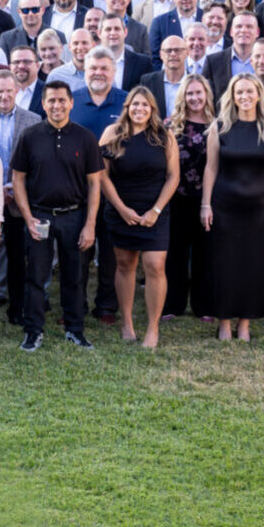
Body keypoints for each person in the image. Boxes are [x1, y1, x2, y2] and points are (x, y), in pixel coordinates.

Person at [10, 82, 103, 351]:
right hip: (40, 216)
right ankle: (33, 330)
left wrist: (90, 224)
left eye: (62, 100)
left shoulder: (85, 138)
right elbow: (18, 179)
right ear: (44, 103)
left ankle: (75, 330)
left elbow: (95, 184)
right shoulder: (30, 136)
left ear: (71, 103)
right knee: (36, 276)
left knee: (75, 276)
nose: (57, 105)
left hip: (74, 216)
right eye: (51, 100)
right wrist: (27, 217)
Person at [93, 86, 178, 348]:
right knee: (125, 265)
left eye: (145, 105)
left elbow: (173, 176)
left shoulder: (164, 136)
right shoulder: (112, 134)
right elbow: (101, 175)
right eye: (134, 104)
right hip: (122, 209)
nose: (139, 109)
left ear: (152, 109)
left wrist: (156, 210)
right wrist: (120, 208)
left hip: (155, 210)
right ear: (127, 107)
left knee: (155, 266)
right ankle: (127, 322)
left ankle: (153, 328)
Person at [203, 75, 264, 341]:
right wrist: (205, 204)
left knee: (253, 266)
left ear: (259, 94)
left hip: (258, 211)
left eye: (250, 91)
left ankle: (245, 324)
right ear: (232, 96)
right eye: (239, 92)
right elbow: (211, 168)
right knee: (225, 264)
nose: (245, 96)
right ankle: (224, 322)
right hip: (224, 207)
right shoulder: (221, 127)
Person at [163, 75, 214, 326]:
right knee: (176, 253)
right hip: (177, 198)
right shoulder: (171, 125)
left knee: (205, 253)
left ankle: (203, 304)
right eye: (190, 93)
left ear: (207, 94)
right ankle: (173, 303)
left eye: (199, 92)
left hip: (208, 200)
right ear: (183, 96)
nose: (195, 98)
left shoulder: (219, 125)